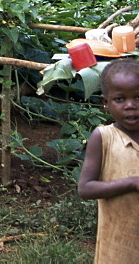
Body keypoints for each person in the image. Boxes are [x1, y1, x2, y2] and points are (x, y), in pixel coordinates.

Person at [78, 58, 139, 263]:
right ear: (106, 102)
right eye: (120, 99)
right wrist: (131, 183)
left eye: (138, 97)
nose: (131, 106)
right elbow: (85, 188)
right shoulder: (103, 138)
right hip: (118, 242)